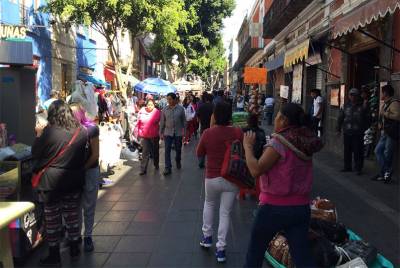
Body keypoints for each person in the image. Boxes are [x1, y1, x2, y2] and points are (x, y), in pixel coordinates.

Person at [243, 103, 322, 268]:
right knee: (301, 256)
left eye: (278, 116)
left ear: (284, 120)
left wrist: (248, 147)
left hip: (274, 208)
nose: (276, 120)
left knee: (255, 252)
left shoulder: (279, 142)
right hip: (301, 208)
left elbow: (256, 170)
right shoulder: (304, 141)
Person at [32, 100, 88, 266]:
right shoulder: (82, 131)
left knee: (53, 219)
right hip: (74, 180)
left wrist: (38, 135)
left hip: (51, 183)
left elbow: (36, 152)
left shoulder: (49, 133)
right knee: (72, 216)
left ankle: (54, 253)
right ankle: (74, 248)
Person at [196, 102, 242, 263]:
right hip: (231, 178)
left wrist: (210, 128)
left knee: (209, 204)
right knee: (225, 213)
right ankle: (221, 249)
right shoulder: (237, 132)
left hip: (212, 177)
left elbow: (199, 152)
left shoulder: (208, 133)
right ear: (230, 115)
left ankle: (207, 237)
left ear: (214, 115)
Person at [70, 103, 99, 252]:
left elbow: (95, 155)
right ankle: (76, 235)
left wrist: (83, 168)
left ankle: (88, 236)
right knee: (75, 206)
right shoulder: (67, 131)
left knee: (88, 205)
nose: (71, 116)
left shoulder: (91, 129)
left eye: (74, 113)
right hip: (73, 173)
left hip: (89, 171)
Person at [337, 88, 369, 175]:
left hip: (358, 133)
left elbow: (367, 119)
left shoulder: (362, 106)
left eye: (355, 95)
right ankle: (347, 167)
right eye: (351, 95)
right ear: (349, 96)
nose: (353, 97)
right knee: (347, 150)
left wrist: (364, 129)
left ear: (358, 96)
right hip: (347, 131)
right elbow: (340, 117)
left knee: (358, 151)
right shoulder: (345, 105)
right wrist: (338, 129)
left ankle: (358, 168)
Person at [372, 84, 400, 183]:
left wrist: (385, 113)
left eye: (382, 92)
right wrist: (380, 124)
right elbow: (381, 116)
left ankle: (384, 174)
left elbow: (397, 116)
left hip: (391, 133)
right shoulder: (385, 103)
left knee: (387, 153)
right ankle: (387, 171)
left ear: (386, 93)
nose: (381, 94)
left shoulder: (394, 103)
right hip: (385, 132)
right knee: (377, 151)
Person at [160, 92, 186, 175]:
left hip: (178, 133)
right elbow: (162, 122)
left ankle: (178, 160)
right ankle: (168, 167)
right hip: (167, 133)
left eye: (170, 99)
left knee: (178, 149)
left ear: (175, 99)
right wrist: (161, 132)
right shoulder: (164, 110)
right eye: (168, 99)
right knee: (167, 150)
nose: (168, 101)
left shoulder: (181, 109)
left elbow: (184, 121)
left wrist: (184, 132)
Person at [135, 99, 161, 175]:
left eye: (151, 105)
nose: (150, 106)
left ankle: (156, 164)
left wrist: (161, 132)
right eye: (148, 105)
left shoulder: (157, 112)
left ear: (154, 105)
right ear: (146, 105)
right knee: (145, 152)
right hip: (145, 135)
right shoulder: (141, 111)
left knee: (155, 151)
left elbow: (161, 122)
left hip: (154, 135)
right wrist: (138, 133)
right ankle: (143, 169)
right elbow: (138, 123)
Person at [196, 93, 214, 168]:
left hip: (203, 127)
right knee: (212, 146)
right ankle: (211, 162)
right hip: (212, 128)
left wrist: (200, 122)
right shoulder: (214, 106)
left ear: (206, 99)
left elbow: (197, 116)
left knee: (202, 145)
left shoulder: (201, 106)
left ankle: (201, 161)